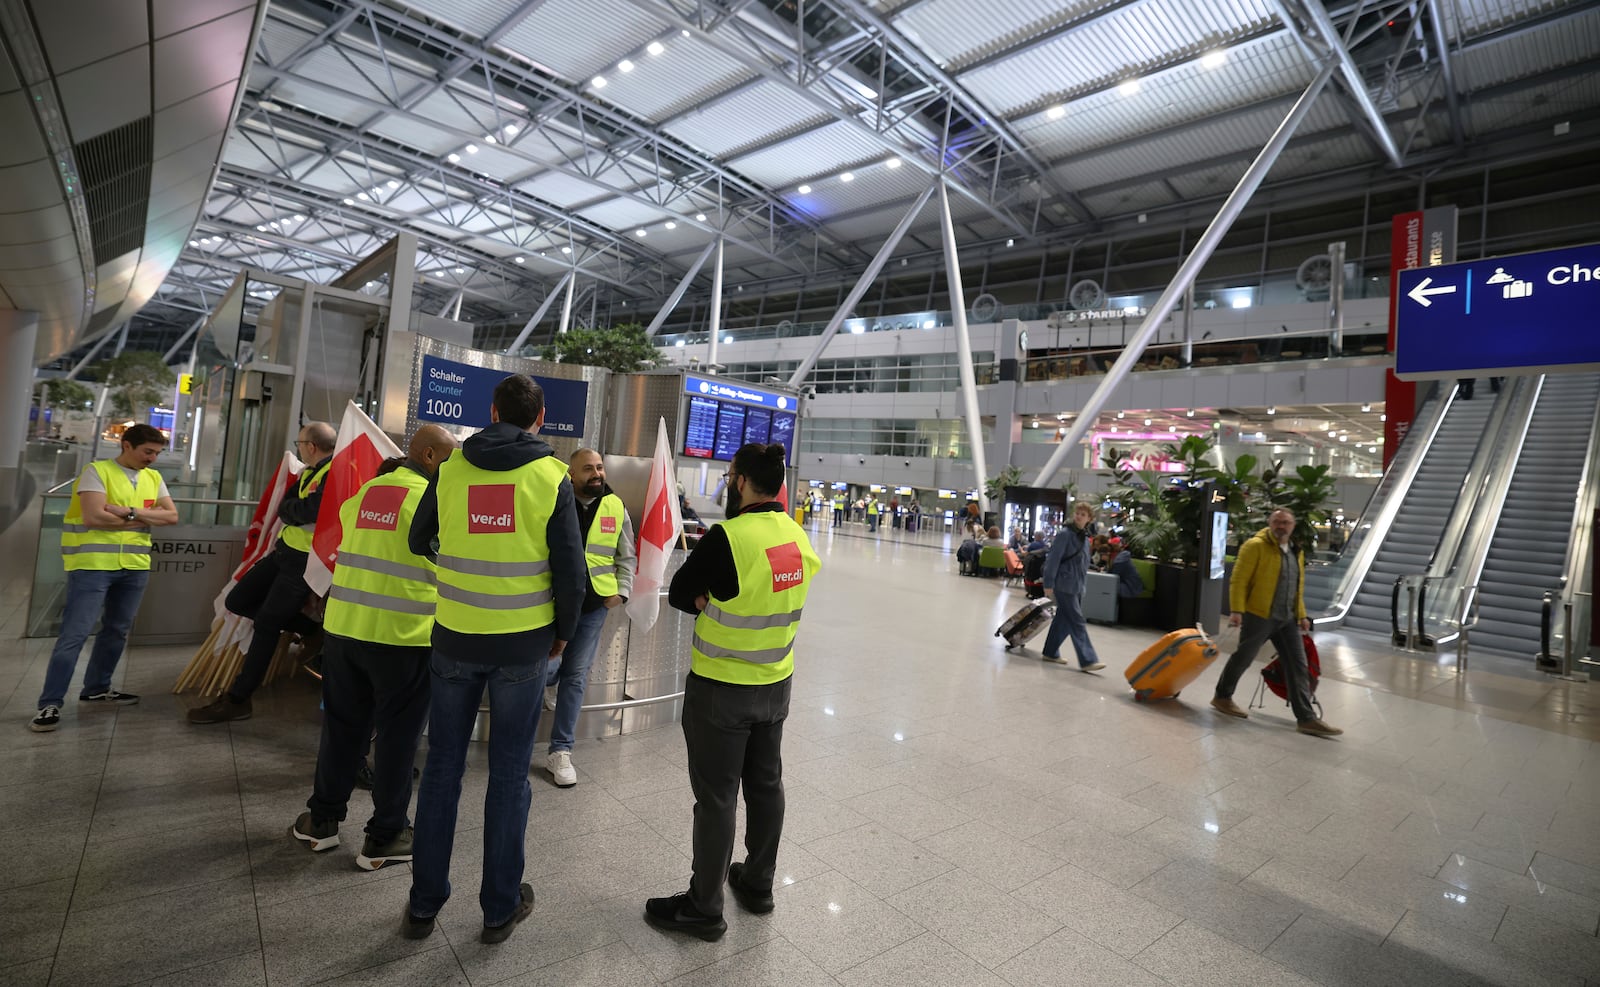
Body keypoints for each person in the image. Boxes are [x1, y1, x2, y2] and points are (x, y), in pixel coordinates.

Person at [400, 375, 585, 945]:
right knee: (508, 774)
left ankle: (424, 905)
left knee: (441, 770)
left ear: (493, 410)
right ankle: (499, 908)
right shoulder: (551, 474)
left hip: (455, 638)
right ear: (541, 417)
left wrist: (458, 559)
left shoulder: (452, 467)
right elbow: (571, 573)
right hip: (523, 647)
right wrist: (562, 634)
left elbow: (418, 539)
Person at [645, 443, 821, 941]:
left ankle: (704, 907)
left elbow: (682, 592)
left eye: (730, 478)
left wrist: (707, 597)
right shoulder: (796, 536)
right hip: (775, 685)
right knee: (766, 786)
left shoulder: (729, 537)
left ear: (741, 481)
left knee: (718, 797)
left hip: (722, 690)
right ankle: (759, 884)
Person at [289, 426, 457, 868]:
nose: (455, 466)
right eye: (450, 457)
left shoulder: (362, 495)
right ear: (428, 455)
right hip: (404, 637)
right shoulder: (434, 501)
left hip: (345, 632)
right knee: (399, 740)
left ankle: (321, 821)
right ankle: (386, 835)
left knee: (343, 731)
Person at [32, 424, 179, 732]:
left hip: (135, 566)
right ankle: (50, 703)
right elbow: (94, 516)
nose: (152, 458)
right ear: (126, 445)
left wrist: (125, 512)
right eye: (147, 452)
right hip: (92, 564)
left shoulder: (154, 478)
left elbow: (173, 517)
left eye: (156, 453)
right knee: (75, 633)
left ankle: (97, 689)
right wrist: (141, 519)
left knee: (117, 630)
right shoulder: (96, 471)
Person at [188, 421, 337, 724]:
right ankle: (311, 630)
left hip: (304, 561)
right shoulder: (311, 472)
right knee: (238, 600)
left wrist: (294, 511)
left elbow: (310, 511)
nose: (298, 449)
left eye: (299, 444)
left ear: (310, 446)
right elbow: (287, 508)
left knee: (267, 624)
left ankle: (239, 699)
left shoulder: (334, 472)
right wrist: (294, 511)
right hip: (283, 553)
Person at [543, 448, 636, 788]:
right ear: (571, 474)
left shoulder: (615, 506)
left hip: (594, 606)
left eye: (599, 467)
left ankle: (560, 750)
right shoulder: (554, 501)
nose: (596, 474)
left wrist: (622, 592)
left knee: (576, 675)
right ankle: (546, 689)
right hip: (550, 603)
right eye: (587, 469)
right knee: (545, 669)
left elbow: (628, 554)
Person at [1210, 509, 1342, 738]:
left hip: (1287, 618)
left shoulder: (1295, 550)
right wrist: (1237, 610)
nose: (1282, 526)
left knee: (1298, 664)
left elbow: (1297, 587)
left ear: (1293, 525)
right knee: (1244, 656)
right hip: (1259, 614)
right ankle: (1222, 696)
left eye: (1286, 522)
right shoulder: (1255, 546)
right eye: (1278, 522)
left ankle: (1306, 718)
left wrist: (1301, 615)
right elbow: (1239, 579)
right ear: (1270, 523)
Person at [1040, 501, 1105, 671]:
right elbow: (1053, 560)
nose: (1078, 516)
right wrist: (1048, 583)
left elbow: (1083, 563)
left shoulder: (1084, 537)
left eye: (1083, 514)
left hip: (1076, 585)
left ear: (1089, 519)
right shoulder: (1065, 534)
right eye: (1077, 513)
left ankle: (1050, 652)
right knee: (1077, 621)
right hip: (1064, 584)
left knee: (1063, 620)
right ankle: (1088, 660)